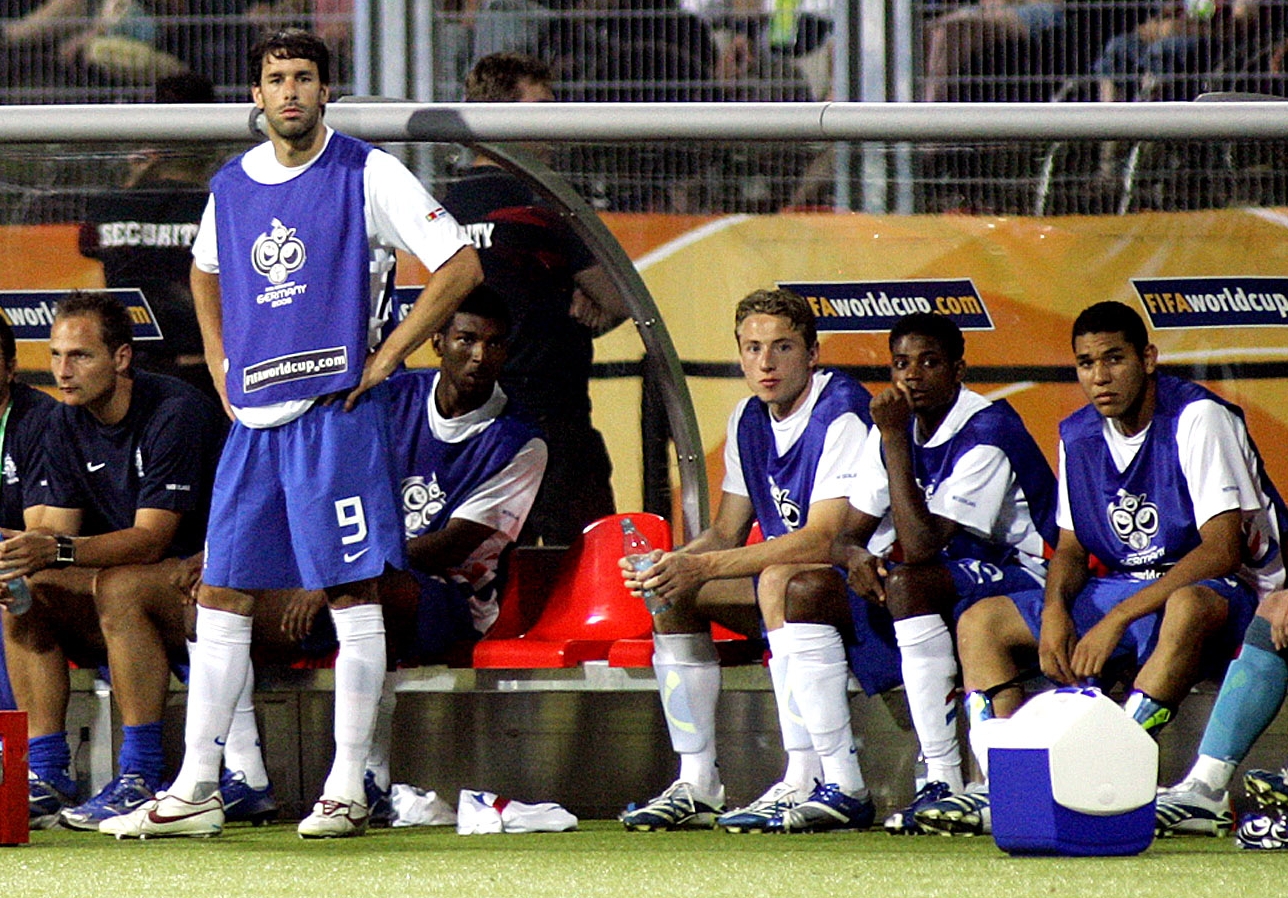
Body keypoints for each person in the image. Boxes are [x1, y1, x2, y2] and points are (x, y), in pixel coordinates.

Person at [100, 27, 481, 840]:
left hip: (334, 418)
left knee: (351, 594)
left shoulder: (366, 171)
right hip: (257, 423)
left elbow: (458, 265)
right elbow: (204, 271)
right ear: (257, 94)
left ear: (325, 91)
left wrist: (386, 358)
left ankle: (347, 787)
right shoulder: (233, 184)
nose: (290, 92)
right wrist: (215, 356)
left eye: (304, 78)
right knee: (223, 595)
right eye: (276, 78)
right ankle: (201, 783)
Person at [913, 300, 1285, 837]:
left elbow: (1221, 550)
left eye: (1114, 359)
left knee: (1188, 602)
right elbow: (1067, 547)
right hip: (1130, 590)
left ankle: (1111, 768)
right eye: (1086, 364)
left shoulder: (1198, 418)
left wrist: (1112, 622)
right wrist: (1057, 609)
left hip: (1228, 590)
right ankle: (1008, 786)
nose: (1099, 377)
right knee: (982, 622)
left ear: (1148, 359)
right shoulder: (1077, 434)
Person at [618, 287, 877, 834]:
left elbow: (825, 540)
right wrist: (670, 563)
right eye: (752, 347)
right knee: (670, 592)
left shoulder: (843, 410)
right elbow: (724, 532)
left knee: (780, 579)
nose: (765, 362)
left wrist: (705, 567)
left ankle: (806, 774)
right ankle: (697, 781)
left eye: (782, 347)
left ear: (813, 353)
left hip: (868, 588)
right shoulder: (746, 419)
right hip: (787, 590)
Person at [800, 312, 1058, 835]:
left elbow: (919, 548)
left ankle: (943, 779)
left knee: (908, 581)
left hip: (1028, 575)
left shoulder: (988, 429)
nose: (912, 376)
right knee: (806, 592)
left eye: (929, 362)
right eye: (900, 364)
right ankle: (841, 785)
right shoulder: (897, 427)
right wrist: (855, 560)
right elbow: (844, 536)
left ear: (959, 369)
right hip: (946, 575)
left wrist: (895, 440)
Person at [0, 292, 226, 831]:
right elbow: (53, 532)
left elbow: (152, 540)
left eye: (79, 356)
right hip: (136, 589)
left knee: (121, 587)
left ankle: (141, 775)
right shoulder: (63, 420)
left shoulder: (175, 410)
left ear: (121, 358)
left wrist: (51, 548)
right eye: (55, 356)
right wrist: (18, 553)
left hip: (211, 584)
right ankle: (47, 772)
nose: (62, 371)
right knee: (24, 589)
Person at [443, 51, 626, 547]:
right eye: (541, 106)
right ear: (503, 118)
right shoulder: (544, 208)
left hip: (466, 424)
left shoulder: (437, 209)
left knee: (486, 566)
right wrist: (585, 308)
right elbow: (622, 296)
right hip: (551, 419)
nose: (554, 119)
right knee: (577, 561)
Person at [79, 71, 219, 398]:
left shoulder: (112, 205)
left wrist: (132, 184)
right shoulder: (217, 205)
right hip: (188, 369)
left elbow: (91, 243)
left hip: (138, 371)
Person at [0, 314, 56, 714]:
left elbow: (40, 531)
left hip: (33, 567)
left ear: (11, 366)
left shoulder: (40, 419)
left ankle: (19, 750)